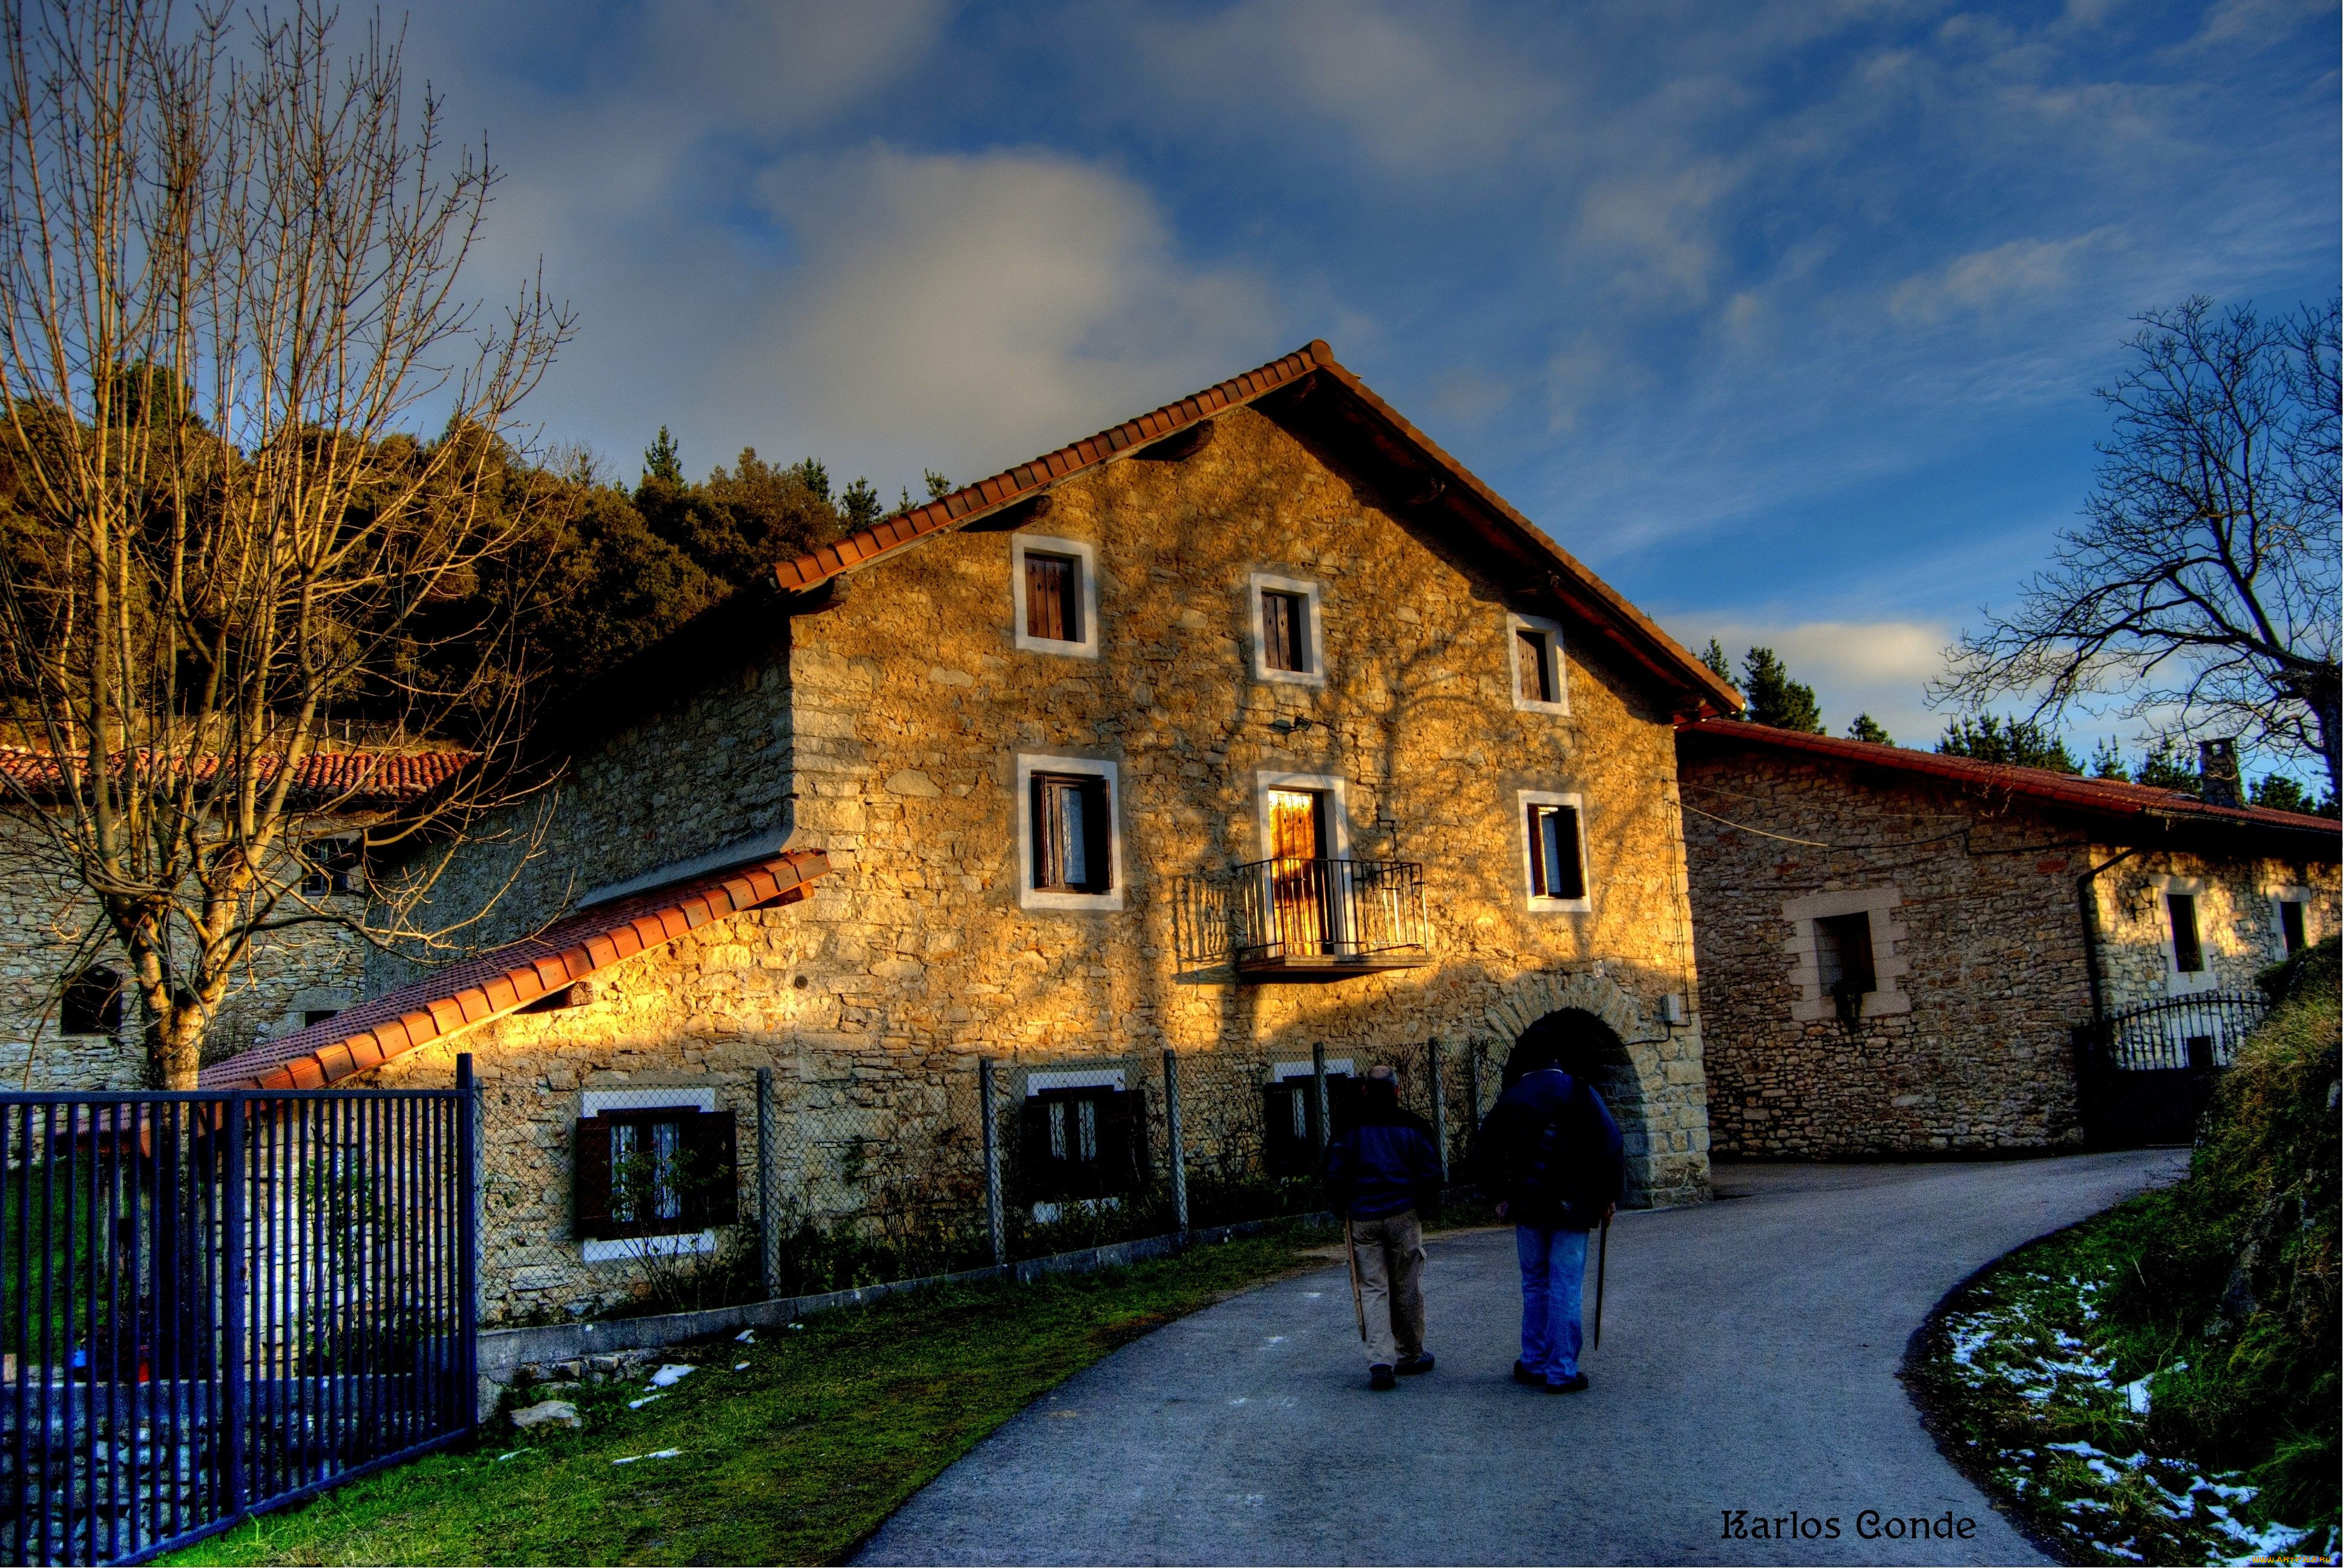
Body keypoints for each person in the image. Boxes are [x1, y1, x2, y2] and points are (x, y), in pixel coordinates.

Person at [1476, 1024, 1624, 1394]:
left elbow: (1485, 1150)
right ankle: (1561, 1370)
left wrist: (1500, 1193)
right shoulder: (1581, 1092)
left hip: (1528, 1203)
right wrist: (1607, 1196)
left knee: (1535, 1284)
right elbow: (1610, 1144)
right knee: (1566, 1286)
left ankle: (1533, 1360)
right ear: (1558, 1060)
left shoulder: (1513, 1097)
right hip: (1574, 1203)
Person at [1323, 1064, 1444, 1390]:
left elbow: (1334, 1171)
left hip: (1363, 1217)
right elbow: (1432, 1171)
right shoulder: (1414, 1127)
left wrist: (1339, 1205)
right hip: (1404, 1213)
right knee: (1407, 1283)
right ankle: (1410, 1353)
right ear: (1397, 1092)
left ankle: (1380, 1360)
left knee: (1373, 1287)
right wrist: (1426, 1205)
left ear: (1365, 1091)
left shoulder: (1349, 1129)